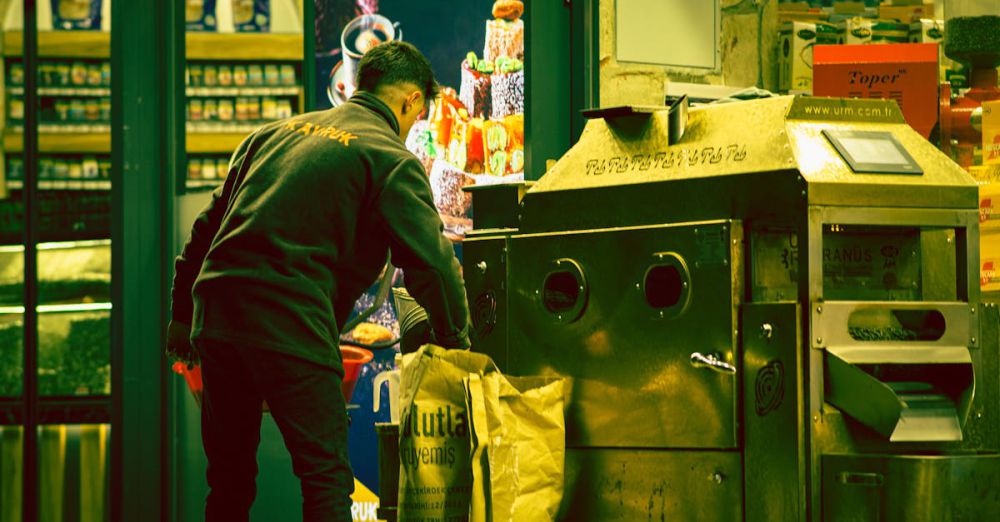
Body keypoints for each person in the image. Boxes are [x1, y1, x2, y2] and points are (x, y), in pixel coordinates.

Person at [166, 41, 472, 522]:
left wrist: (181, 317)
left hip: (219, 313)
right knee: (325, 481)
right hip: (289, 318)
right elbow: (432, 264)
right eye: (418, 115)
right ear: (411, 101)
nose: (413, 127)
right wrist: (456, 343)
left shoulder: (271, 134)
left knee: (227, 484)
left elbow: (206, 230)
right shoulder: (389, 157)